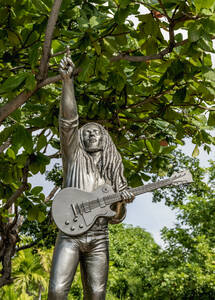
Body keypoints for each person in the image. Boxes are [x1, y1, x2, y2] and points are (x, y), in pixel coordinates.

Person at [48, 52, 134, 300]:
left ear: (105, 139)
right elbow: (68, 122)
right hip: (69, 235)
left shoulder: (113, 175)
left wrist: (120, 201)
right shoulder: (74, 156)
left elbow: (116, 219)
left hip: (99, 238)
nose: (89, 136)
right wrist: (67, 81)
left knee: (96, 294)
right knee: (56, 291)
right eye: (86, 133)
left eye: (95, 132)